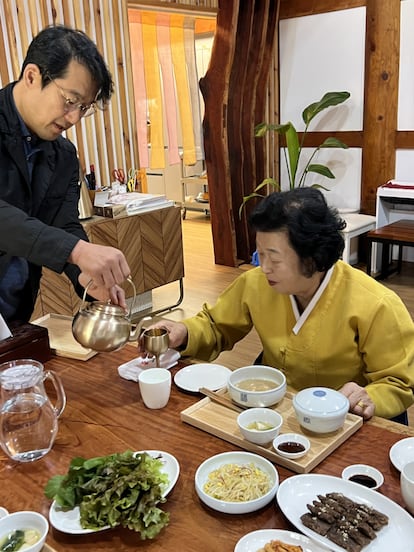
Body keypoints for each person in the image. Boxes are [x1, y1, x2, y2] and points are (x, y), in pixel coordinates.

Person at [150, 188, 414, 422]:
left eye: (274, 259)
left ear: (312, 256)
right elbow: (216, 325)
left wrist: (368, 397)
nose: (263, 268)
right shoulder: (256, 283)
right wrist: (185, 333)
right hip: (274, 409)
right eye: (260, 254)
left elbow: (398, 383)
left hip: (339, 420)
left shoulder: (376, 304)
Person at [0, 25, 131, 324]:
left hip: (14, 315)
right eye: (70, 101)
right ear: (32, 76)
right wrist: (76, 251)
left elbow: (63, 223)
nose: (74, 118)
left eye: (83, 107)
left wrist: (85, 276)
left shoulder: (63, 155)